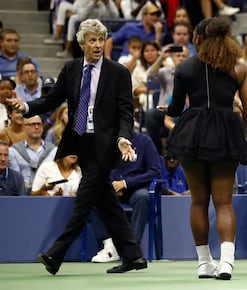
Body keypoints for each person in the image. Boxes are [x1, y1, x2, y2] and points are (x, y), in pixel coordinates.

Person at [7, 19, 147, 275]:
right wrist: (25, 108)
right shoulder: (71, 69)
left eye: (100, 39)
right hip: (82, 142)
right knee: (106, 202)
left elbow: (126, 112)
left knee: (84, 199)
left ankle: (55, 254)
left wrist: (122, 137)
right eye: (92, 40)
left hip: (107, 145)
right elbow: (52, 99)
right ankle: (134, 255)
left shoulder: (118, 72)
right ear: (82, 43)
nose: (97, 44)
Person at [160, 17, 247, 280]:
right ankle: (227, 262)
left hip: (192, 134)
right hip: (226, 133)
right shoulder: (238, 68)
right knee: (224, 202)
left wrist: (167, 110)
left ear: (197, 39)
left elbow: (174, 109)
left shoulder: (184, 68)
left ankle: (204, 263)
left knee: (198, 201)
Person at [89, 131, 161, 263]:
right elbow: (98, 169)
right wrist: (110, 185)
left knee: (143, 196)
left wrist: (126, 183)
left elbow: (155, 171)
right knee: (92, 196)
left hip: (136, 188)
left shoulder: (144, 141)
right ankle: (110, 247)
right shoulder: (104, 141)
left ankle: (132, 248)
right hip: (112, 188)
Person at [8, 115, 57, 192]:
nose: (37, 127)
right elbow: (15, 179)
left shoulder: (54, 151)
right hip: (23, 195)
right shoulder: (13, 151)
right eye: (32, 124)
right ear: (24, 127)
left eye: (39, 124)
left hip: (48, 194)